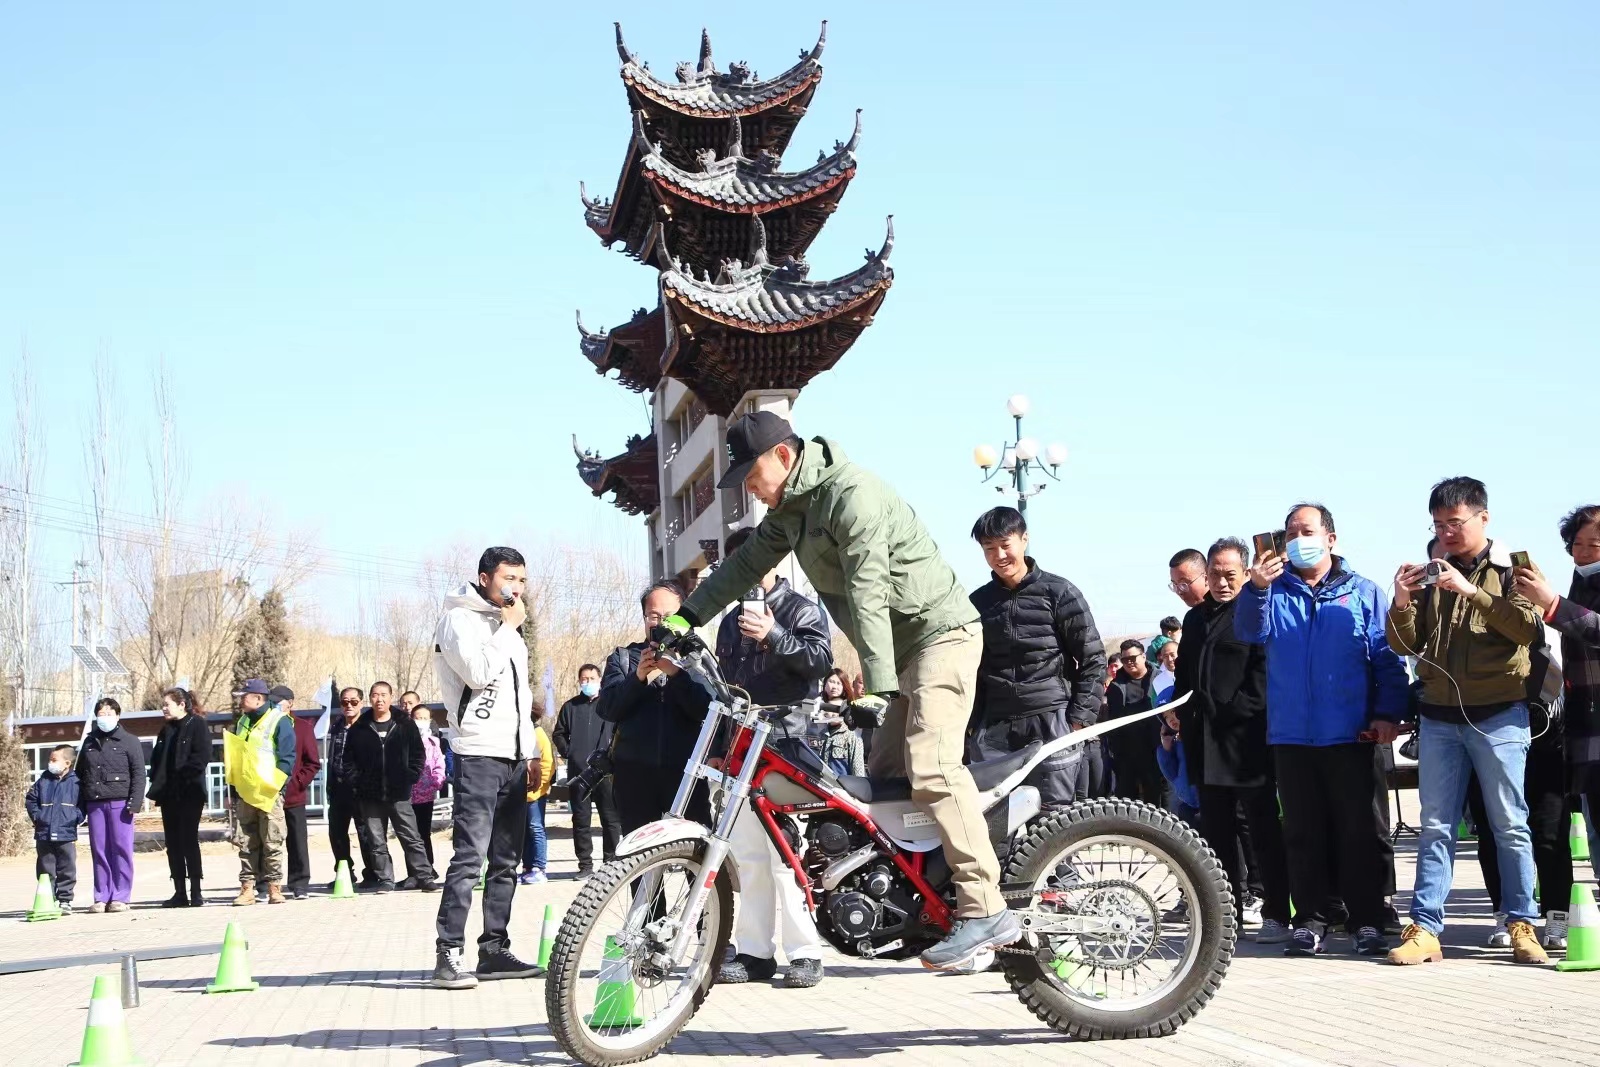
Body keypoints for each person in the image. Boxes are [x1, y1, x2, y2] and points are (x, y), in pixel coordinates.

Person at [672, 411, 1017, 971]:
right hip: (903, 652)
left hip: (940, 634)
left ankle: (985, 906)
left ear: (783, 457)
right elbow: (743, 566)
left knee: (930, 766)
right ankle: (920, 904)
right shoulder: (793, 512)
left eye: (752, 476)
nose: (752, 492)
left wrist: (877, 685)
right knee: (879, 787)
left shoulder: (851, 495)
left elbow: (868, 588)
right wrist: (686, 619)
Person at [1235, 503, 1408, 958]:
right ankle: (1310, 919)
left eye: (1306, 531)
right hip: (1292, 735)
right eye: (1290, 532)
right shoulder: (1272, 592)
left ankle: (1367, 919)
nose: (1297, 539)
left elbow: (1387, 658)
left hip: (1351, 735)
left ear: (1331, 538)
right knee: (1302, 832)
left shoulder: (1364, 592)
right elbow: (1249, 633)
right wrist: (1255, 587)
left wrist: (1388, 712)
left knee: (1358, 832)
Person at [1387, 477, 1547, 966]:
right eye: (1438, 524)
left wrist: (1470, 592)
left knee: (1509, 825)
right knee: (1436, 825)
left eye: (1454, 523)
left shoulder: (1514, 568)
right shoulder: (1432, 572)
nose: (1447, 532)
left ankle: (1521, 922)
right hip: (1438, 717)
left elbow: (1527, 627)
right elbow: (1405, 646)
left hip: (1500, 715)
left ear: (1483, 518)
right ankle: (1424, 929)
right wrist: (1401, 602)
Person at [710, 524, 834, 989]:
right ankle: (754, 952)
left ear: (772, 562)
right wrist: (723, 749)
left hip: (788, 745)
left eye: (751, 563)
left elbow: (821, 664)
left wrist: (774, 633)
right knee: (746, 855)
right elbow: (726, 688)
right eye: (734, 567)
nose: (743, 574)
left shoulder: (801, 610)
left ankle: (805, 953)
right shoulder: (728, 621)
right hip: (740, 745)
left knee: (786, 853)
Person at [431, 546, 542, 989]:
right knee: (469, 856)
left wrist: (530, 751)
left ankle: (494, 949)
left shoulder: (506, 626)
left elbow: (522, 698)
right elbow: (477, 673)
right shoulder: (459, 620)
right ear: (483, 578)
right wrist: (508, 630)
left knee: (506, 860)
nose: (515, 589)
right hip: (477, 753)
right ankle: (448, 953)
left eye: (521, 581)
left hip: (513, 755)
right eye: (507, 579)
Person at [1171, 537, 1291, 945]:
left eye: (1230, 575)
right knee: (1215, 830)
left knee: (1261, 829)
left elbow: (1262, 676)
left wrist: (1234, 712)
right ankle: (1227, 912)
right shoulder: (1195, 619)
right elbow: (1186, 675)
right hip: (1203, 741)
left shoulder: (1255, 610)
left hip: (1246, 739)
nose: (1222, 582)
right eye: (1215, 575)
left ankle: (1276, 911)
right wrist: (1178, 712)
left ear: (1245, 573)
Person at [967, 506, 1106, 810]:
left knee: (1053, 819)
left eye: (1005, 545)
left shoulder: (1059, 592)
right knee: (994, 818)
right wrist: (972, 725)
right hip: (996, 728)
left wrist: (1079, 720)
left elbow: (1093, 657)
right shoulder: (977, 603)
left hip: (1051, 719)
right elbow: (970, 669)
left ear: (1024, 539)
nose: (999, 555)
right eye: (989, 549)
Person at [1514, 504, 1600, 922]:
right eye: (1576, 545)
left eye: (1594, 544)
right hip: (1586, 721)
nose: (1583, 553)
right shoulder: (1581, 581)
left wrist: (1552, 603)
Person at [595, 580, 713, 834]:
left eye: (670, 616)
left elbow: (704, 710)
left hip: (687, 775)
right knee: (637, 858)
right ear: (645, 618)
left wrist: (676, 674)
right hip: (634, 777)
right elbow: (607, 709)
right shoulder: (623, 658)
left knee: (698, 850)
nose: (660, 623)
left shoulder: (697, 661)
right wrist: (637, 678)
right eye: (654, 615)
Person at [343, 681, 438, 894]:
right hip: (370, 795)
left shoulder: (404, 723)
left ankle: (424, 876)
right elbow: (348, 760)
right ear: (370, 698)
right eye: (375, 695)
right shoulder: (360, 727)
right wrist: (358, 782)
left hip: (399, 793)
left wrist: (409, 777)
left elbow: (417, 754)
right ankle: (385, 879)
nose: (380, 699)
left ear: (391, 696)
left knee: (411, 837)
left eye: (384, 695)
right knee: (376, 840)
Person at [226, 678, 295, 906]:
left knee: (272, 840)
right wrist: (234, 789)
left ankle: (275, 888)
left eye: (243, 697)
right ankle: (247, 889)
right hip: (246, 792)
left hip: (269, 793)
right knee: (245, 841)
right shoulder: (243, 721)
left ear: (258, 698)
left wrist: (275, 788)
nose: (240, 702)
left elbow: (286, 759)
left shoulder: (279, 721)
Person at [76, 697, 144, 914]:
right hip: (95, 803)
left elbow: (139, 773)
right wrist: (80, 804)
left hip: (120, 803)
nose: (104, 717)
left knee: (121, 850)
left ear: (117, 715)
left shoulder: (129, 741)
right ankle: (101, 895)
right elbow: (80, 773)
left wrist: (135, 802)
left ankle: (121, 896)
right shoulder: (89, 742)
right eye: (101, 713)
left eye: (109, 713)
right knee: (100, 850)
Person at [552, 663, 619, 877]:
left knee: (611, 820)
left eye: (591, 678)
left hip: (606, 774)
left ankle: (610, 863)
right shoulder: (570, 707)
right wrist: (569, 752)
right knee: (581, 821)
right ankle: (585, 865)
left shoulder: (609, 705)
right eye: (583, 679)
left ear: (600, 680)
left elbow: (620, 732)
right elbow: (558, 734)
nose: (587, 682)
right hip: (579, 774)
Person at [148, 686, 211, 908]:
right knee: (173, 843)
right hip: (169, 794)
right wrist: (157, 781)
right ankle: (179, 892)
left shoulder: (197, 724)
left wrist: (184, 777)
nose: (163, 708)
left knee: (188, 840)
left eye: (167, 704)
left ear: (181, 705)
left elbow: (201, 757)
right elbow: (157, 760)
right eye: (163, 705)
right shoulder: (166, 730)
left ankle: (196, 891)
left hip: (190, 792)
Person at [1102, 640, 1165, 804]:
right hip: (1126, 755)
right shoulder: (1116, 686)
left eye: (1132, 658)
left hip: (1155, 751)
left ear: (1143, 656)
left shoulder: (1159, 679)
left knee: (1155, 802)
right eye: (1124, 660)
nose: (1129, 663)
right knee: (1127, 802)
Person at [275, 686, 322, 900]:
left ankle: (299, 883)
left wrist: (298, 782)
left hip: (294, 794)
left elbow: (312, 762)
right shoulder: (265, 726)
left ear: (290, 703)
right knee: (267, 841)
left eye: (280, 701)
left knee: (297, 841)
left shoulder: (302, 727)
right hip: (267, 794)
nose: (275, 705)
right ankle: (266, 883)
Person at [26, 744, 85, 913]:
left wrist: (76, 818)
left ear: (67, 763)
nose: (50, 763)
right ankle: (47, 898)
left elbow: (82, 805)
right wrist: (37, 817)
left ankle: (65, 899)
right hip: (43, 834)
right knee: (45, 868)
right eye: (49, 760)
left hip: (66, 833)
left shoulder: (76, 782)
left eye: (54, 760)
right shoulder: (43, 780)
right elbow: (31, 800)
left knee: (67, 867)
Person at [326, 686, 375, 888]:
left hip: (361, 789)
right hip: (338, 789)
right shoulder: (337, 727)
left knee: (365, 833)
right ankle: (344, 872)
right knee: (337, 832)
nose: (349, 706)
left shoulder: (368, 726)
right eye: (345, 702)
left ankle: (372, 873)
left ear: (361, 704)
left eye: (353, 702)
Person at [410, 700, 447, 868]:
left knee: (423, 832)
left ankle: (428, 867)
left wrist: (435, 783)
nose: (421, 721)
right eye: (418, 717)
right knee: (410, 834)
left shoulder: (434, 743)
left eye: (425, 718)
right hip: (407, 795)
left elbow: (439, 764)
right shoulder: (404, 740)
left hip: (426, 795)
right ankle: (413, 871)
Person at [520, 722, 554, 885]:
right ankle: (527, 867)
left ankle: (539, 868)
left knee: (535, 828)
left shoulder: (538, 734)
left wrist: (540, 787)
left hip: (535, 793)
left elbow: (547, 764)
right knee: (524, 832)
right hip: (519, 794)